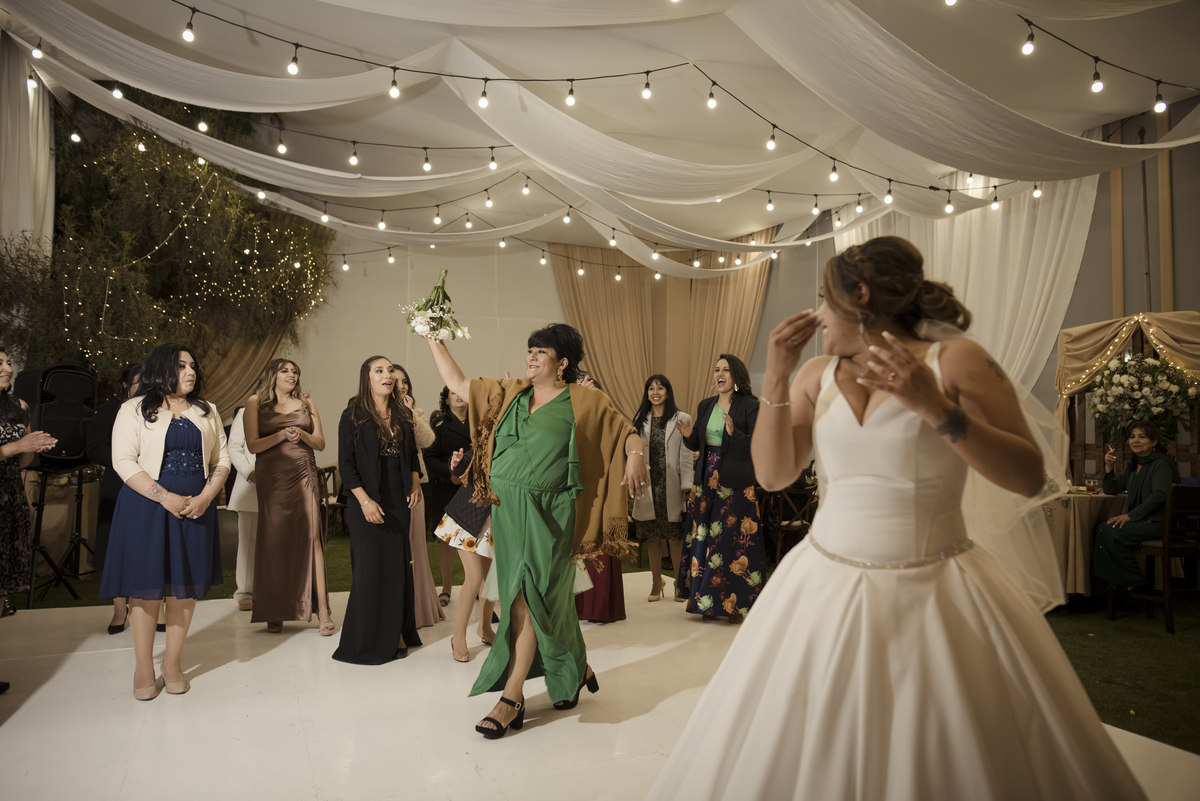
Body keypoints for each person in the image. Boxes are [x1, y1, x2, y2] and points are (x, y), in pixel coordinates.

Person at [647, 236, 1146, 800]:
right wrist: (779, 376)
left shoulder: (956, 359)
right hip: (822, 581)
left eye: (825, 300)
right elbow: (771, 475)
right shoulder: (815, 373)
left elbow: (1030, 475)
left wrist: (935, 407)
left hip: (936, 582)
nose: (817, 315)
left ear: (861, 298)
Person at [420, 323, 647, 739]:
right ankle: (575, 667)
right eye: (530, 350)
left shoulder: (585, 400)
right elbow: (457, 381)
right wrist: (434, 338)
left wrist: (636, 458)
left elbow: (626, 432)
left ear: (562, 363)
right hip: (507, 513)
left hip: (552, 514)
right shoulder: (511, 393)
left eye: (541, 352)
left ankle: (511, 697)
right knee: (539, 598)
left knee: (527, 597)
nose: (532, 357)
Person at [99, 344, 229, 700]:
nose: (191, 372)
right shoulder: (133, 409)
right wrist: (164, 497)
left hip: (195, 510)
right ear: (161, 370)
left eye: (193, 365)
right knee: (145, 589)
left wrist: (205, 497)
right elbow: (123, 461)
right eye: (182, 366)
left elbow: (222, 460)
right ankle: (143, 669)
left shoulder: (208, 410)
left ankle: (172, 664)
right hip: (146, 508)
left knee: (183, 589)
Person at [332, 356, 422, 664]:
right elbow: (346, 464)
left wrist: (415, 482)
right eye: (379, 370)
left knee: (397, 568)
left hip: (398, 500)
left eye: (390, 371)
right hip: (365, 502)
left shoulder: (402, 415)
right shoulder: (353, 415)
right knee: (370, 571)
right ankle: (368, 639)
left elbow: (411, 456)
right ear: (367, 378)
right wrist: (365, 501)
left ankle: (396, 632)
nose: (388, 375)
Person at [244, 359, 332, 635]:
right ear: (272, 374)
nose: (291, 375)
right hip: (272, 476)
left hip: (303, 471)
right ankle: (276, 607)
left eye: (295, 371)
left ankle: (324, 612)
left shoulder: (307, 402)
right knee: (274, 537)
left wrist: (302, 435)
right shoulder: (255, 403)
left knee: (312, 535)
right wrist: (282, 434)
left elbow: (320, 443)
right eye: (285, 370)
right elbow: (253, 444)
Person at [676, 354, 763, 621]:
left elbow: (756, 444)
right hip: (706, 480)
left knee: (733, 543)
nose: (719, 374)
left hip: (736, 482)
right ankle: (706, 603)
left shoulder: (750, 405)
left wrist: (733, 431)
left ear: (735, 376)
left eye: (725, 369)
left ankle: (735, 606)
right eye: (716, 370)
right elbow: (698, 447)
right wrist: (689, 437)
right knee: (705, 539)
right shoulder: (706, 405)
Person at [0, 348, 57, 619]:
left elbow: (22, 462)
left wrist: (33, 447)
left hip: (11, 494)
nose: (7, 368)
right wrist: (16, 446)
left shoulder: (19, 406)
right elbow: (12, 450)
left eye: (8, 362)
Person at [87, 362, 142, 634]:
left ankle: (151, 605)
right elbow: (95, 449)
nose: (144, 386)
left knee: (147, 547)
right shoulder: (109, 411)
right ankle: (120, 606)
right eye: (138, 381)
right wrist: (126, 459)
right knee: (114, 546)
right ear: (125, 385)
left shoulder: (159, 412)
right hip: (117, 485)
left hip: (152, 485)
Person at [1093, 419, 1180, 591]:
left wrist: (1129, 516)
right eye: (1132, 437)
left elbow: (1160, 495)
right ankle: (1125, 582)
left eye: (1142, 436)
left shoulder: (1161, 463)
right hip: (1143, 521)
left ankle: (1136, 583)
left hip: (1160, 522)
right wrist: (1109, 467)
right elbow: (1112, 489)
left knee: (1109, 531)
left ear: (1154, 441)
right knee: (1103, 529)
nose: (1135, 440)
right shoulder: (1135, 466)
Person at [631, 375, 693, 603]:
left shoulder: (681, 418)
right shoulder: (640, 419)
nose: (655, 392)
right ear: (647, 393)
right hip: (647, 484)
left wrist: (687, 485)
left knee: (674, 537)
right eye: (651, 388)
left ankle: (679, 581)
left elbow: (686, 455)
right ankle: (657, 582)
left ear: (668, 392)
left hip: (671, 484)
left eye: (660, 388)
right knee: (653, 536)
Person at [434, 447, 497, 661]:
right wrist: (459, 462)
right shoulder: (490, 432)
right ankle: (458, 636)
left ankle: (485, 629)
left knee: (488, 579)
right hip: (467, 516)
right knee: (475, 577)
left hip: (494, 520)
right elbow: (470, 460)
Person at [393, 363, 443, 629]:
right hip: (389, 488)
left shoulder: (416, 412)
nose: (402, 386)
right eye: (397, 381)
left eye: (405, 382)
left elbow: (427, 440)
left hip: (416, 486)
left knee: (416, 548)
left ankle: (421, 608)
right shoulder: (380, 413)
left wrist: (409, 412)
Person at [425, 386, 470, 607]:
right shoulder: (439, 425)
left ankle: (479, 586)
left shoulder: (479, 422)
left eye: (462, 392)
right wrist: (449, 474)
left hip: (475, 489)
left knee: (478, 540)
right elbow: (430, 458)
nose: (459, 396)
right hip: (447, 489)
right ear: (447, 400)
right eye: (454, 393)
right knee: (447, 541)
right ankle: (446, 588)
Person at [225, 407, 257, 611]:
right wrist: (249, 472)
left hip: (283, 485)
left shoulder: (288, 409)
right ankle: (245, 590)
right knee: (248, 540)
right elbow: (234, 447)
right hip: (251, 484)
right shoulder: (246, 412)